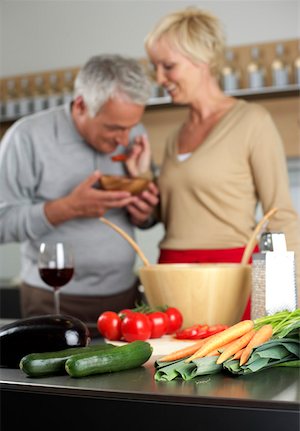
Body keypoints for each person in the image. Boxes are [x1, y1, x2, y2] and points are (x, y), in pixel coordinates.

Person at [144, 7, 300, 318]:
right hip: (170, 274)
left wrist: (293, 295)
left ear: (201, 61)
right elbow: (176, 213)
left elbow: (280, 213)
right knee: (167, 366)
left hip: (230, 276)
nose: (159, 78)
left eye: (168, 66)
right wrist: (141, 188)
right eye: (155, 67)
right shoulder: (176, 135)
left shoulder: (252, 121)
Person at [0, 54, 159, 336]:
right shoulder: (26, 137)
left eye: (131, 126)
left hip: (125, 297)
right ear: (81, 105)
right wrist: (68, 207)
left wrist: (145, 213)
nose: (124, 139)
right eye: (114, 128)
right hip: (53, 297)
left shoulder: (134, 135)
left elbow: (149, 219)